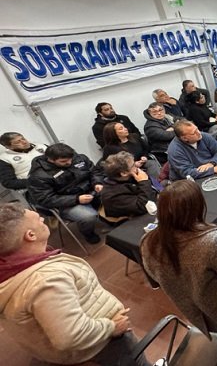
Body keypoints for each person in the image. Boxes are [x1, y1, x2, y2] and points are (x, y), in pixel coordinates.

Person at [0, 203, 145, 365]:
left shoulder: (10, 270)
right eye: (38, 219)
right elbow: (70, 336)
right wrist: (111, 328)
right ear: (30, 235)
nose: (43, 219)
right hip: (102, 346)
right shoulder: (47, 280)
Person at [140, 180, 217, 349]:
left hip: (195, 313)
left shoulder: (148, 242)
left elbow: (155, 276)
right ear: (197, 207)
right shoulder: (210, 241)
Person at [27, 143, 103, 244]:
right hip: (66, 202)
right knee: (88, 216)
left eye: (70, 159)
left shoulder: (78, 158)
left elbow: (94, 171)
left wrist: (97, 183)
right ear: (51, 159)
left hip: (90, 190)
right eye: (63, 161)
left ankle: (109, 219)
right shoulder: (38, 176)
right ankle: (88, 233)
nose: (69, 162)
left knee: (114, 191)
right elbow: (45, 199)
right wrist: (76, 199)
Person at [100, 151, 157, 218]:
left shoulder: (129, 177)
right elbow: (143, 206)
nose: (136, 166)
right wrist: (144, 182)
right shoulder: (112, 195)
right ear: (124, 173)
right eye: (133, 165)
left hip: (146, 205)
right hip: (132, 219)